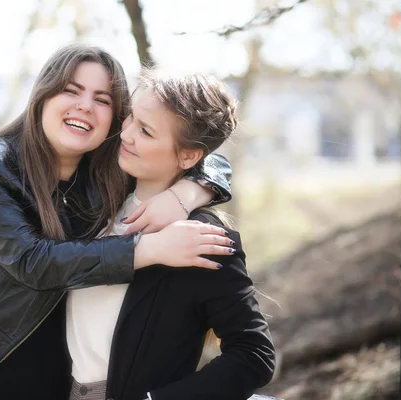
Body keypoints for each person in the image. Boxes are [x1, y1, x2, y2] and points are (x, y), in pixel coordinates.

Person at [0, 44, 237, 399]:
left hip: (61, 377)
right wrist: (148, 248)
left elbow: (206, 154)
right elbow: (34, 262)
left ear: (117, 116)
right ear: (43, 96)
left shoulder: (111, 170)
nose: (85, 106)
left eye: (102, 99)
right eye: (71, 91)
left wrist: (184, 196)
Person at [66, 70, 276, 400]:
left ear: (189, 156)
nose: (126, 135)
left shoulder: (203, 238)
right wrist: (188, 191)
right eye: (131, 118)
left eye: (146, 132)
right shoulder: (94, 194)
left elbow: (254, 356)